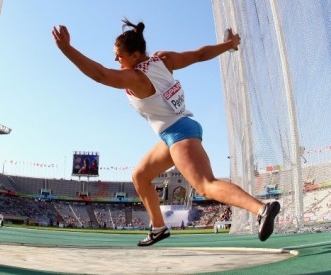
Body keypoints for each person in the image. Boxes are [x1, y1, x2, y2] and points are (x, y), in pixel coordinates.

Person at [52, 19, 280, 246]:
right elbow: (199, 54)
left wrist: (67, 49)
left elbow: (100, 74)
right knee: (140, 176)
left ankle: (261, 209)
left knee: (205, 185)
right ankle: (159, 227)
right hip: (175, 133)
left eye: (119, 55)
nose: (115, 60)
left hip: (179, 133)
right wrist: (228, 44)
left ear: (134, 56)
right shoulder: (163, 59)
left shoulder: (136, 78)